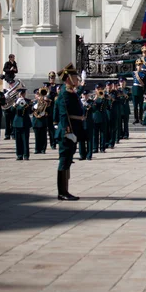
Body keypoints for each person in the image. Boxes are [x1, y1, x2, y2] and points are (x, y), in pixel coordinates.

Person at [56, 63, 84, 201]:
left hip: (73, 129)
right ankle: (62, 192)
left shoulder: (70, 92)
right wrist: (68, 131)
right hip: (68, 132)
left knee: (67, 161)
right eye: (75, 77)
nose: (77, 79)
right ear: (68, 79)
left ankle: (65, 190)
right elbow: (63, 114)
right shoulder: (65, 94)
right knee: (64, 161)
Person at [12, 88, 32, 161]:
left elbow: (30, 111)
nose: (21, 95)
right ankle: (19, 155)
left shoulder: (28, 101)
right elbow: (12, 111)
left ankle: (26, 155)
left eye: (23, 94)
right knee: (18, 140)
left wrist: (26, 104)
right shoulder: (15, 101)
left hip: (25, 122)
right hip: (17, 122)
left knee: (25, 140)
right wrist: (16, 103)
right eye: (20, 94)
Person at [31, 88, 50, 154]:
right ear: (35, 96)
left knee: (43, 136)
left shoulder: (46, 102)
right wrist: (34, 107)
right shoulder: (33, 102)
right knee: (37, 136)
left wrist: (46, 109)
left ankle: (43, 149)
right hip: (36, 121)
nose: (39, 97)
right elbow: (30, 111)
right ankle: (37, 149)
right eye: (37, 95)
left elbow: (49, 110)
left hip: (43, 121)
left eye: (39, 95)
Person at [79, 90, 94, 161]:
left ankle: (89, 155)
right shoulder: (79, 102)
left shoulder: (91, 102)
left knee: (89, 140)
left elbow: (94, 109)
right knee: (81, 140)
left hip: (89, 123)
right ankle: (82, 155)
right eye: (84, 95)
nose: (85, 96)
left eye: (86, 95)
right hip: (81, 123)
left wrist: (89, 105)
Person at [92, 83, 107, 153]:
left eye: (100, 89)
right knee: (95, 134)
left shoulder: (104, 97)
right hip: (95, 117)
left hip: (103, 117)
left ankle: (102, 148)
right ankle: (95, 148)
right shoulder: (93, 97)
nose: (99, 90)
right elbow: (93, 107)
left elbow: (107, 105)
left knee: (103, 133)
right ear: (95, 90)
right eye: (97, 89)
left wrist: (103, 97)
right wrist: (95, 99)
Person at [46, 71, 59, 149]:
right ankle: (52, 143)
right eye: (51, 77)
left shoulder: (57, 87)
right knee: (50, 128)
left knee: (56, 127)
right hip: (48, 110)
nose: (52, 79)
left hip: (55, 109)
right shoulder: (46, 86)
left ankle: (56, 140)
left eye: (53, 77)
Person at [132, 59, 146, 125]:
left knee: (140, 106)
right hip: (134, 91)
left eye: (140, 65)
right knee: (135, 106)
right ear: (136, 66)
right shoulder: (134, 73)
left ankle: (140, 118)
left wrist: (145, 92)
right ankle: (136, 118)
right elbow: (125, 74)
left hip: (140, 91)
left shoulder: (144, 74)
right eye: (138, 65)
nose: (139, 67)